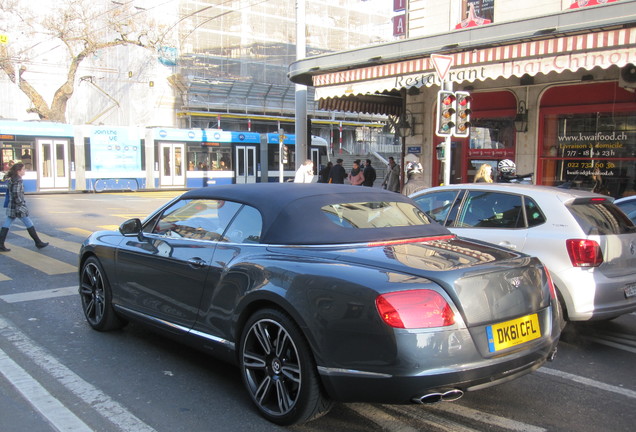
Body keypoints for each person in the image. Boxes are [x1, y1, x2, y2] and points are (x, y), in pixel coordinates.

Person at [0, 163, 48, 252]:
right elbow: (16, 195)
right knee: (28, 222)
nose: (25, 170)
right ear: (19, 171)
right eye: (23, 169)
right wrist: (22, 205)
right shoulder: (18, 181)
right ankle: (38, 242)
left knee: (7, 223)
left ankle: (1, 244)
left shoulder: (12, 179)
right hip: (17, 207)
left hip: (12, 206)